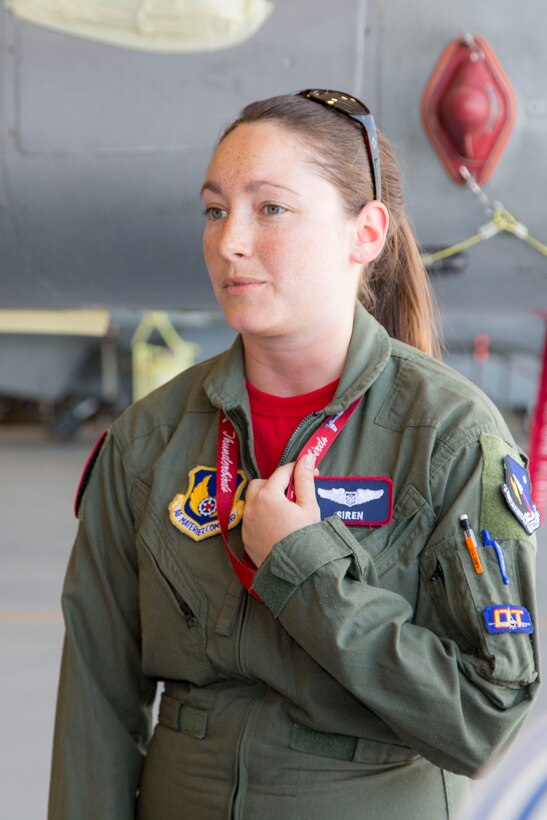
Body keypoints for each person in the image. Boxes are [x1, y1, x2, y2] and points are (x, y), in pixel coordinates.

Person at [48, 90, 541, 820]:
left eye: (269, 209)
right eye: (215, 210)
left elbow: (487, 720)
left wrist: (306, 571)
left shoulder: (449, 436)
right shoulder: (147, 441)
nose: (229, 242)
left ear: (365, 232)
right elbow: (96, 706)